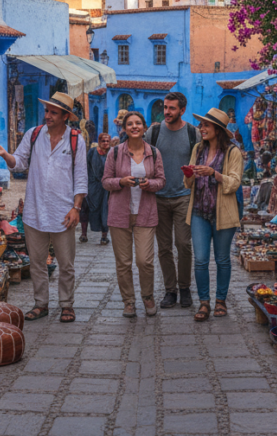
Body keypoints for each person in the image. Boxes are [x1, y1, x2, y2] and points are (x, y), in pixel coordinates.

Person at [0, 92, 88, 323]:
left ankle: (66, 304)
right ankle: (40, 304)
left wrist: (76, 208)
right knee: (37, 262)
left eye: (54, 112)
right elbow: (19, 163)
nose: (48, 115)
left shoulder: (75, 139)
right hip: (34, 211)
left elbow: (81, 176)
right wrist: (5, 155)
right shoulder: (34, 134)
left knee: (66, 263)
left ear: (65, 116)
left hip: (64, 212)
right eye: (47, 111)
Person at [103, 111, 165, 317]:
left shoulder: (154, 153)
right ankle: (128, 301)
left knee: (144, 260)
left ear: (144, 127)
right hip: (119, 213)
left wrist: (150, 184)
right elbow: (105, 181)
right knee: (123, 262)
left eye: (138, 123)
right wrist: (120, 182)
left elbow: (161, 181)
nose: (134, 126)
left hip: (145, 213)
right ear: (124, 128)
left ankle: (148, 297)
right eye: (130, 124)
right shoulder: (114, 153)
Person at [184, 108, 243, 322]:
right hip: (199, 211)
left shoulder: (232, 152)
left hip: (223, 213)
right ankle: (204, 302)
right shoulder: (198, 149)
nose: (201, 128)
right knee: (200, 260)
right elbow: (187, 183)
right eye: (201, 125)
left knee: (222, 259)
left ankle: (220, 300)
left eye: (206, 125)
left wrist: (214, 174)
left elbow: (235, 183)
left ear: (217, 130)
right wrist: (189, 174)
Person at [145, 92, 198, 309]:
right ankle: (170, 290)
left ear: (182, 110)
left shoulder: (193, 133)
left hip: (184, 196)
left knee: (184, 244)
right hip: (158, 197)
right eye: (165, 107)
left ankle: (185, 288)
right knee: (164, 247)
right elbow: (143, 155)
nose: (167, 112)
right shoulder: (154, 131)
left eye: (172, 108)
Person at [85, 132, 112, 245]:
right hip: (94, 186)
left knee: (106, 210)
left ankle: (104, 236)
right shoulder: (92, 152)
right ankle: (85, 233)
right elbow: (86, 167)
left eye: (107, 141)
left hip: (107, 186)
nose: (105, 143)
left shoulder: (112, 152)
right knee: (93, 209)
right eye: (103, 141)